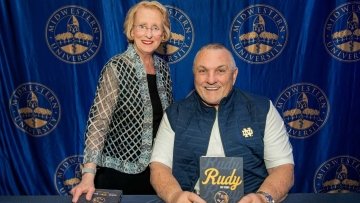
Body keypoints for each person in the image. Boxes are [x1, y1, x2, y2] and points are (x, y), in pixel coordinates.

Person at [150, 43, 294, 203]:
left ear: (234, 75)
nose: (211, 80)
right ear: (194, 75)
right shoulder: (175, 114)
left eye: (220, 71)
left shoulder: (262, 110)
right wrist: (175, 196)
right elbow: (159, 168)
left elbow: (283, 168)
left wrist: (263, 197)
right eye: (203, 71)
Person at [70, 1, 173, 202]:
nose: (149, 34)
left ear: (163, 34)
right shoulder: (116, 67)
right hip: (117, 176)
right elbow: (98, 124)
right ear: (132, 30)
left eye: (155, 28)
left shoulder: (164, 70)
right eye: (142, 26)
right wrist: (88, 175)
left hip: (156, 175)